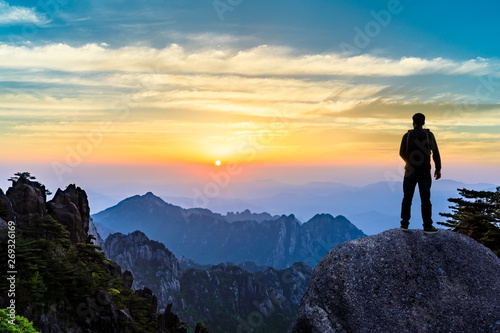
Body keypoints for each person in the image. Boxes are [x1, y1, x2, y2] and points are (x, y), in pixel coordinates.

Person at [399, 113, 441, 234]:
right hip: (424, 172)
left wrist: (410, 162)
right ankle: (427, 226)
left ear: (413, 122)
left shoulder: (407, 136)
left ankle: (404, 224)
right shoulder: (429, 135)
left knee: (407, 198)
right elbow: (436, 153)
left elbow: (401, 152)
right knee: (425, 199)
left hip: (410, 172)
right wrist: (438, 169)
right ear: (424, 122)